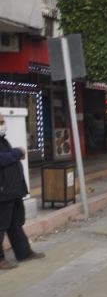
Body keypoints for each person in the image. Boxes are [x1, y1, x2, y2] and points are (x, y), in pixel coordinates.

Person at [0, 114, 44, 269]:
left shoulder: (3, 140)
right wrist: (17, 152)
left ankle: (24, 253)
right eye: (1, 122)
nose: (3, 124)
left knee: (15, 223)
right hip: (3, 192)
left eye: (3, 121)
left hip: (13, 190)